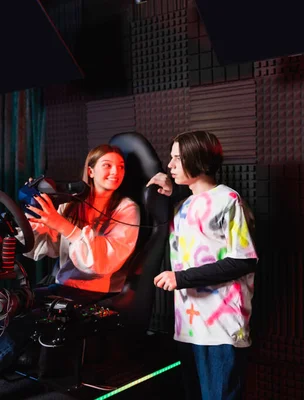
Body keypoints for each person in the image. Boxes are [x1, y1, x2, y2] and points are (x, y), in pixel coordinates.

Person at [0, 144, 140, 370]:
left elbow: (104, 262)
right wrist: (36, 221)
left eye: (120, 167)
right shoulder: (71, 204)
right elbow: (47, 245)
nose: (115, 172)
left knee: (25, 322)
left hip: (98, 291)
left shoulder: (127, 209)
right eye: (108, 165)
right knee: (8, 305)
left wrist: (63, 225)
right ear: (91, 171)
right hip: (62, 286)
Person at [148, 130, 258, 400]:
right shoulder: (182, 205)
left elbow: (243, 260)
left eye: (177, 158)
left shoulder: (228, 200)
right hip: (187, 328)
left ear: (197, 159)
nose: (170, 165)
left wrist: (181, 278)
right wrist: (168, 191)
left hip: (221, 330)